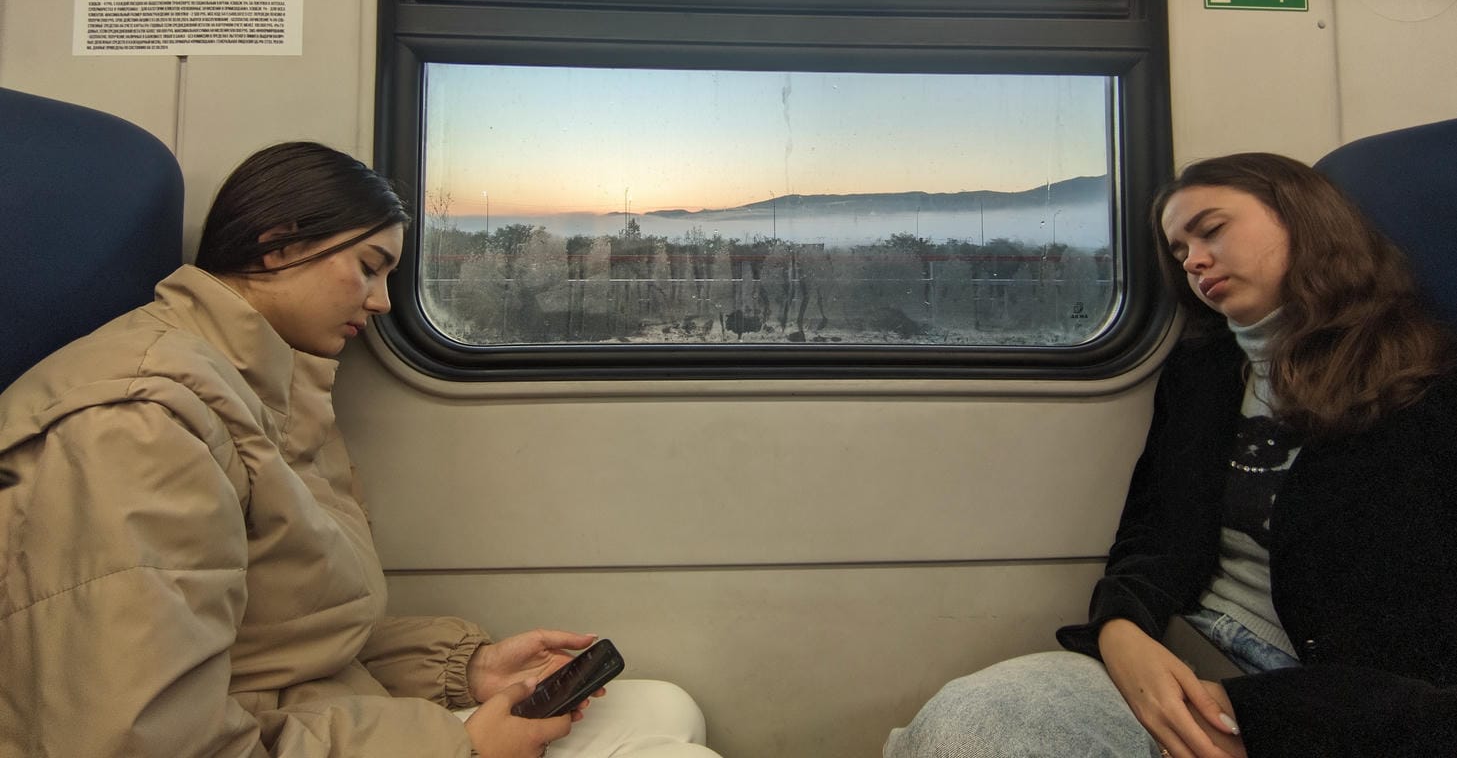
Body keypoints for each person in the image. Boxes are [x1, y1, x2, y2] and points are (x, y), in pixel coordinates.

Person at [0, 141, 718, 758]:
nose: (381, 302)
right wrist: (458, 745)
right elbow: (140, 736)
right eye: (369, 267)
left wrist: (465, 670)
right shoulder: (140, 422)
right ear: (277, 244)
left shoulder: (261, 385)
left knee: (664, 708)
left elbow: (282, 637)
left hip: (296, 716)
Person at [885, 152, 1457, 758]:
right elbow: (1154, 538)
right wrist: (1123, 633)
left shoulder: (1431, 386)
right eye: (1181, 252)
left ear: (1304, 219)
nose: (1195, 261)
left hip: (1341, 706)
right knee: (967, 719)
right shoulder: (1204, 373)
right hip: (1184, 650)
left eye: (1211, 231)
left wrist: (1269, 718)